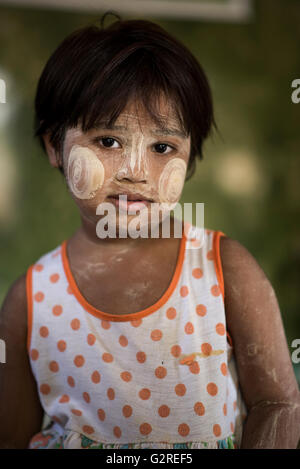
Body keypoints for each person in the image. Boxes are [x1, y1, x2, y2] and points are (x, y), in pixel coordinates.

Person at [0, 12, 299, 450]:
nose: (136, 172)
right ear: (54, 146)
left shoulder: (224, 269)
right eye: (108, 141)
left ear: (190, 155)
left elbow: (277, 403)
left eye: (162, 147)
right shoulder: (30, 300)